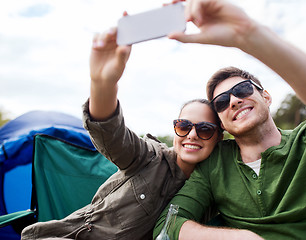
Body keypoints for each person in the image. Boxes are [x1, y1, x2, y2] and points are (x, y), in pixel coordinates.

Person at [154, 0, 306, 239]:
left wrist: (248, 35)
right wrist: (241, 237)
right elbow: (169, 224)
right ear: (221, 122)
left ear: (266, 96)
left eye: (242, 90)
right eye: (221, 102)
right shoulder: (215, 166)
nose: (233, 101)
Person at [21, 22, 223, 240]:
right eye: (184, 126)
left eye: (204, 129)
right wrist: (103, 82)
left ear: (219, 137)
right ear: (175, 130)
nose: (192, 135)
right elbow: (110, 133)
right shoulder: (149, 157)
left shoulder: (215, 186)